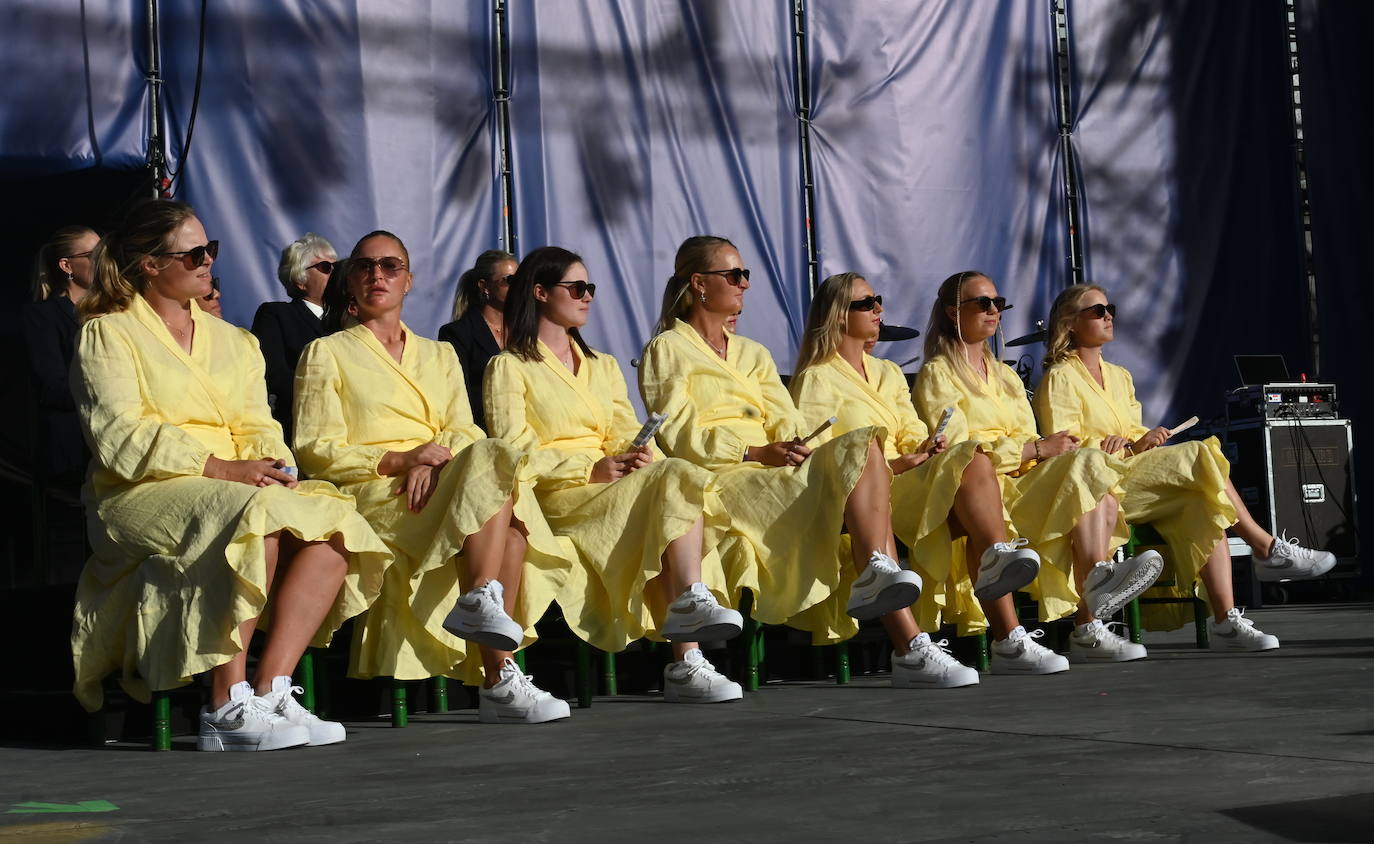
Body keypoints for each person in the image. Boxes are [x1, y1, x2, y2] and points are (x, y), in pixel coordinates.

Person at [70, 199, 391, 751]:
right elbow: (119, 431)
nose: (208, 261)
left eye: (211, 249)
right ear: (150, 264)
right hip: (141, 491)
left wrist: (274, 466)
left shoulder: (236, 341)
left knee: (335, 519)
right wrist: (217, 466)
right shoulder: (109, 333)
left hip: (235, 481)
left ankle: (271, 687)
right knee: (255, 512)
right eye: (195, 252)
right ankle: (224, 700)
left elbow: (256, 423)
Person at [294, 231, 578, 724]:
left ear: (409, 280)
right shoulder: (327, 352)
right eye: (364, 266)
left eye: (389, 266)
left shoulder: (439, 354)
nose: (376, 276)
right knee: (506, 524)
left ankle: (488, 633)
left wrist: (431, 460)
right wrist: (401, 460)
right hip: (378, 488)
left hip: (439, 475)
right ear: (349, 279)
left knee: (503, 502)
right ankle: (497, 674)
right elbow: (316, 449)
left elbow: (463, 426)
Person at [639, 236, 946, 679]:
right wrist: (754, 450)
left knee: (863, 442)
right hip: (720, 475)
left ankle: (892, 602)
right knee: (858, 458)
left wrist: (794, 445)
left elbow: (787, 419)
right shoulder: (666, 348)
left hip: (777, 468)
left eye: (745, 274)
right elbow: (679, 431)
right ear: (699, 283)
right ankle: (909, 641)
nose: (744, 283)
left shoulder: (753, 353)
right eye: (734, 274)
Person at [484, 246, 745, 703]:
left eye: (591, 289)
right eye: (577, 288)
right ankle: (685, 651)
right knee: (673, 484)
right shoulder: (509, 365)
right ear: (541, 293)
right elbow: (513, 452)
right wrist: (590, 468)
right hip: (559, 496)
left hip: (614, 483)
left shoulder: (602, 366)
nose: (587, 297)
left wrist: (635, 454)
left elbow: (627, 430)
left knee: (675, 473)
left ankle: (689, 622)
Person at [1033, 284, 1336, 652]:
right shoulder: (1060, 377)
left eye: (1109, 308)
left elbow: (1131, 432)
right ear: (1071, 323)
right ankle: (1265, 547)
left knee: (1203, 503)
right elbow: (1064, 450)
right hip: (1097, 487)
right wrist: (1120, 446)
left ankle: (1226, 619)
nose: (1108, 315)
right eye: (1097, 311)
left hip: (1133, 480)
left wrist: (1145, 439)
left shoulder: (1119, 376)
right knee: (1197, 453)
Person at [789, 272, 1046, 687]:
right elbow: (821, 454)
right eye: (865, 303)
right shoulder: (816, 377)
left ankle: (1009, 632)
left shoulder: (889, 372)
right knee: (865, 448)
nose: (878, 310)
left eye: (878, 300)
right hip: (854, 493)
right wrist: (892, 460)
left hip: (904, 480)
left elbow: (910, 429)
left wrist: (926, 447)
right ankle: (910, 649)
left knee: (971, 455)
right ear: (838, 316)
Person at [913, 271, 1162, 671]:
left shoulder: (1007, 376)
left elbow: (1033, 441)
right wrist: (1032, 449)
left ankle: (1094, 596)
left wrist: (1041, 450)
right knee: (1004, 482)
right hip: (979, 484)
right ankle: (1023, 635)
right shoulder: (937, 373)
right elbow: (960, 448)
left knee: (1090, 464)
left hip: (1022, 478)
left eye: (998, 303)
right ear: (952, 312)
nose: (994, 311)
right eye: (983, 303)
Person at [22, 225, 99, 491]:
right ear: (67, 265)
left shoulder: (116, 311)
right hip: (73, 451)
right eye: (94, 254)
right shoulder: (44, 316)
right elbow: (51, 386)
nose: (104, 260)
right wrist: (106, 391)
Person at [251, 233, 335, 441]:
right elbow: (273, 373)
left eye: (338, 267)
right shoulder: (277, 315)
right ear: (300, 279)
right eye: (326, 267)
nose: (335, 273)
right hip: (301, 427)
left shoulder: (350, 322)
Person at [438, 249, 517, 428]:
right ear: (484, 286)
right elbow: (459, 397)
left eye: (521, 281)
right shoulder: (457, 333)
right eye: (510, 281)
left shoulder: (526, 333)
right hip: (482, 432)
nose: (518, 287)